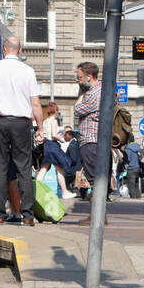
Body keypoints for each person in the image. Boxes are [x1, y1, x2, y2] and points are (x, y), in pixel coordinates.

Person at [0, 36, 43, 226]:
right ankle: (27, 216)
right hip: (22, 123)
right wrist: (40, 128)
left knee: (0, 168)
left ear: (4, 49)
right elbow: (35, 103)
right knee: (23, 168)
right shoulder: (28, 71)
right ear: (20, 51)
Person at [73, 62, 103, 197]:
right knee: (97, 181)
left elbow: (77, 110)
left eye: (79, 77)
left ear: (89, 77)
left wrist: (80, 94)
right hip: (95, 141)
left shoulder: (93, 93)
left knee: (94, 181)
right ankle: (96, 215)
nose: (77, 80)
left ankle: (98, 216)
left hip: (91, 141)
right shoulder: (100, 89)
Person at [37, 102, 77, 199]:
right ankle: (64, 192)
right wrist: (62, 139)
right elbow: (54, 135)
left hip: (45, 146)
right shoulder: (53, 121)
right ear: (56, 111)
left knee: (43, 169)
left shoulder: (45, 121)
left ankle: (36, 190)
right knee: (60, 170)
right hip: (52, 147)